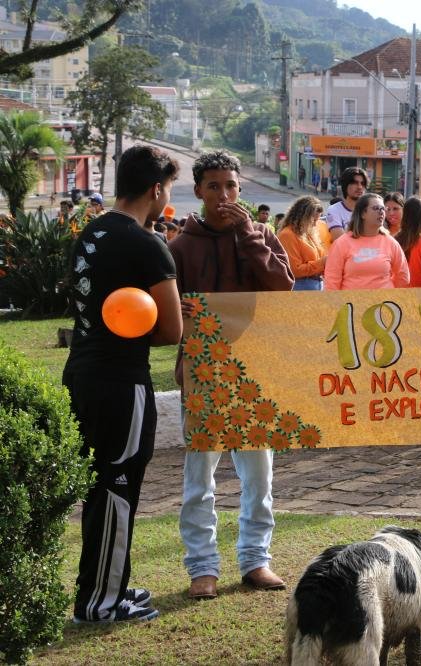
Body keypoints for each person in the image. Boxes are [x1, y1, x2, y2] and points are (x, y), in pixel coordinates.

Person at [64, 144, 183, 623]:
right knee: (117, 484)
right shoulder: (146, 244)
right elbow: (172, 330)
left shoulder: (91, 232)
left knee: (103, 485)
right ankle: (100, 602)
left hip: (83, 371)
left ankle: (107, 587)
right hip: (122, 381)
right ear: (156, 190)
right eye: (168, 191)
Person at [169, 150, 293, 601]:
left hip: (255, 371)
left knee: (259, 473)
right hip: (202, 375)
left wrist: (249, 236)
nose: (225, 195)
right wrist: (178, 312)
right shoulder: (181, 245)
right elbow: (165, 315)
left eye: (232, 187)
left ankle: (256, 559)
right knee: (199, 476)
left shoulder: (259, 233)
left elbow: (283, 289)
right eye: (215, 186)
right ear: (199, 190)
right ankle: (202, 567)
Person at [324, 192, 409, 290]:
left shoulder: (391, 243)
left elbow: (403, 276)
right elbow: (331, 281)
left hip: (383, 303)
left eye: (382, 209)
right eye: (376, 208)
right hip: (352, 303)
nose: (381, 212)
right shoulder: (341, 243)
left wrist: (389, 294)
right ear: (362, 213)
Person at [277, 196, 328, 291]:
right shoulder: (287, 235)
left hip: (315, 285)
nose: (315, 224)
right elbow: (294, 270)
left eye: (318, 220)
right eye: (314, 220)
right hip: (301, 287)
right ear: (303, 217)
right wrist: (322, 263)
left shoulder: (308, 233)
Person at [324, 167, 367, 247]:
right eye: (354, 183)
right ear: (345, 185)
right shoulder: (334, 210)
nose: (360, 187)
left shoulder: (370, 209)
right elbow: (340, 241)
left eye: (363, 183)